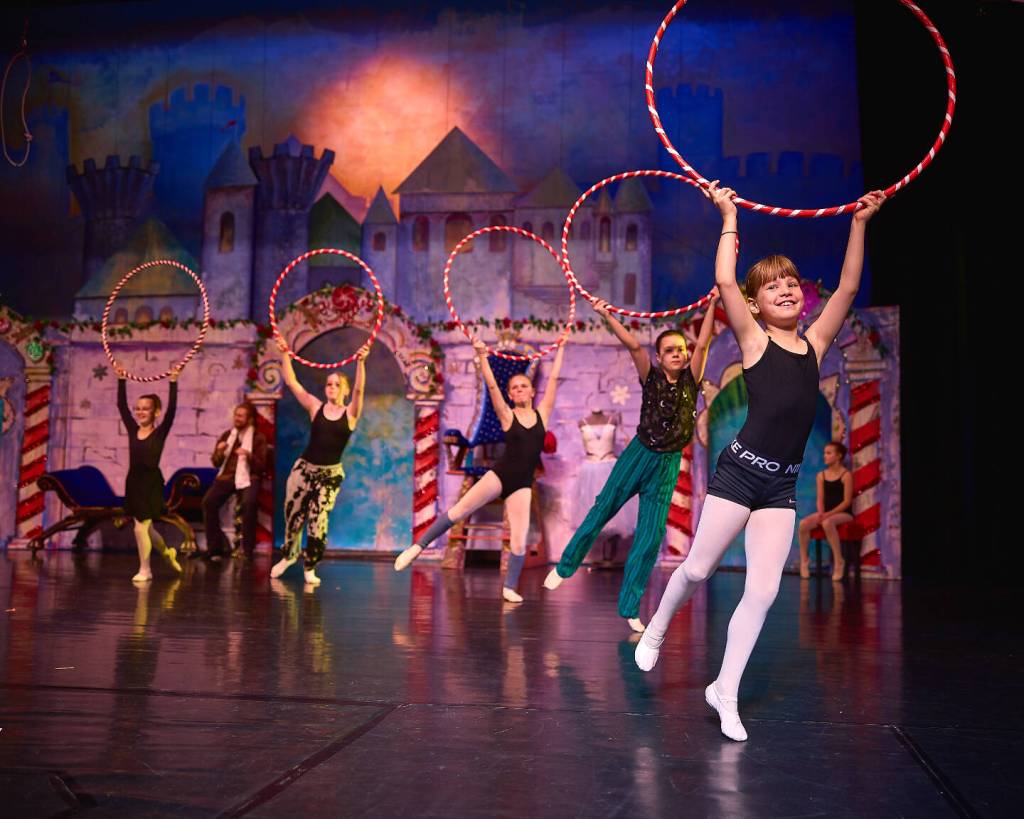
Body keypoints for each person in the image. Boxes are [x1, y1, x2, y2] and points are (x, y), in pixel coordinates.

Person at [635, 181, 886, 742]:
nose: (786, 289)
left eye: (792, 283)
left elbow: (847, 286)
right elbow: (725, 278)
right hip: (738, 473)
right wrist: (728, 214)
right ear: (755, 303)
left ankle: (725, 690)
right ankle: (656, 628)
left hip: (779, 489)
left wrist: (860, 222)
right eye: (772, 286)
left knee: (766, 591)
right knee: (697, 570)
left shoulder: (816, 344)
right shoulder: (752, 340)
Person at [543, 290, 719, 633]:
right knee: (602, 509)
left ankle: (630, 605)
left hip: (667, 464)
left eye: (681, 350)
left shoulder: (691, 380)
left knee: (651, 535)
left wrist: (712, 304)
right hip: (638, 454)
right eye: (670, 351)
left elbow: (704, 343)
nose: (678, 355)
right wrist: (606, 313)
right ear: (659, 356)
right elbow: (633, 346)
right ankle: (565, 567)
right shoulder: (650, 377)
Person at [394, 337, 565, 603]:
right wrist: (482, 354)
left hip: (522, 484)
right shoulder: (508, 415)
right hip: (500, 475)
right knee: (459, 510)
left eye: (524, 386)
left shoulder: (542, 414)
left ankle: (509, 587)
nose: (519, 390)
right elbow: (493, 387)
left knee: (518, 541)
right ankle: (417, 547)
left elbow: (553, 381)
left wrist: (561, 347)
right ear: (511, 395)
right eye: (515, 388)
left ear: (532, 391)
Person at [271, 338, 366, 586]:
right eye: (329, 384)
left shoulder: (350, 414)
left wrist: (361, 363)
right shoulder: (315, 407)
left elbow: (359, 391)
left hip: (329, 475)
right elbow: (292, 383)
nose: (332, 387)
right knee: (293, 516)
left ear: (344, 390)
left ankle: (310, 565)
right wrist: (284, 353)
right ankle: (289, 556)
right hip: (304, 470)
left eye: (337, 384)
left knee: (318, 520)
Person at [115, 366, 182, 583]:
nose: (141, 412)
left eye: (146, 408)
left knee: (140, 527)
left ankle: (146, 569)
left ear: (156, 412)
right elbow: (121, 406)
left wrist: (173, 381)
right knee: (148, 529)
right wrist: (121, 380)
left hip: (151, 483)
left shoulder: (159, 433)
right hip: (134, 482)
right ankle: (167, 553)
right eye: (139, 409)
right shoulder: (132, 429)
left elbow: (172, 410)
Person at [202, 402, 269, 560]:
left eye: (241, 416)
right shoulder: (227, 435)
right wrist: (219, 451)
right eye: (236, 415)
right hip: (227, 477)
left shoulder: (258, 438)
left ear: (250, 419)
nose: (236, 419)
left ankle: (247, 550)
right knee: (208, 502)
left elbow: (262, 466)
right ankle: (215, 549)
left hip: (249, 477)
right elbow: (216, 463)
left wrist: (249, 455)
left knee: (249, 504)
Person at [797, 441, 854, 580]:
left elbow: (847, 501)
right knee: (803, 524)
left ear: (839, 456)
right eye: (824, 453)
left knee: (827, 523)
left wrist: (828, 515)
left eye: (829, 453)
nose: (825, 456)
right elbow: (820, 499)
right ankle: (804, 561)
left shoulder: (846, 475)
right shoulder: (821, 475)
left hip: (843, 514)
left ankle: (839, 561)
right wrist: (821, 512)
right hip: (826, 513)